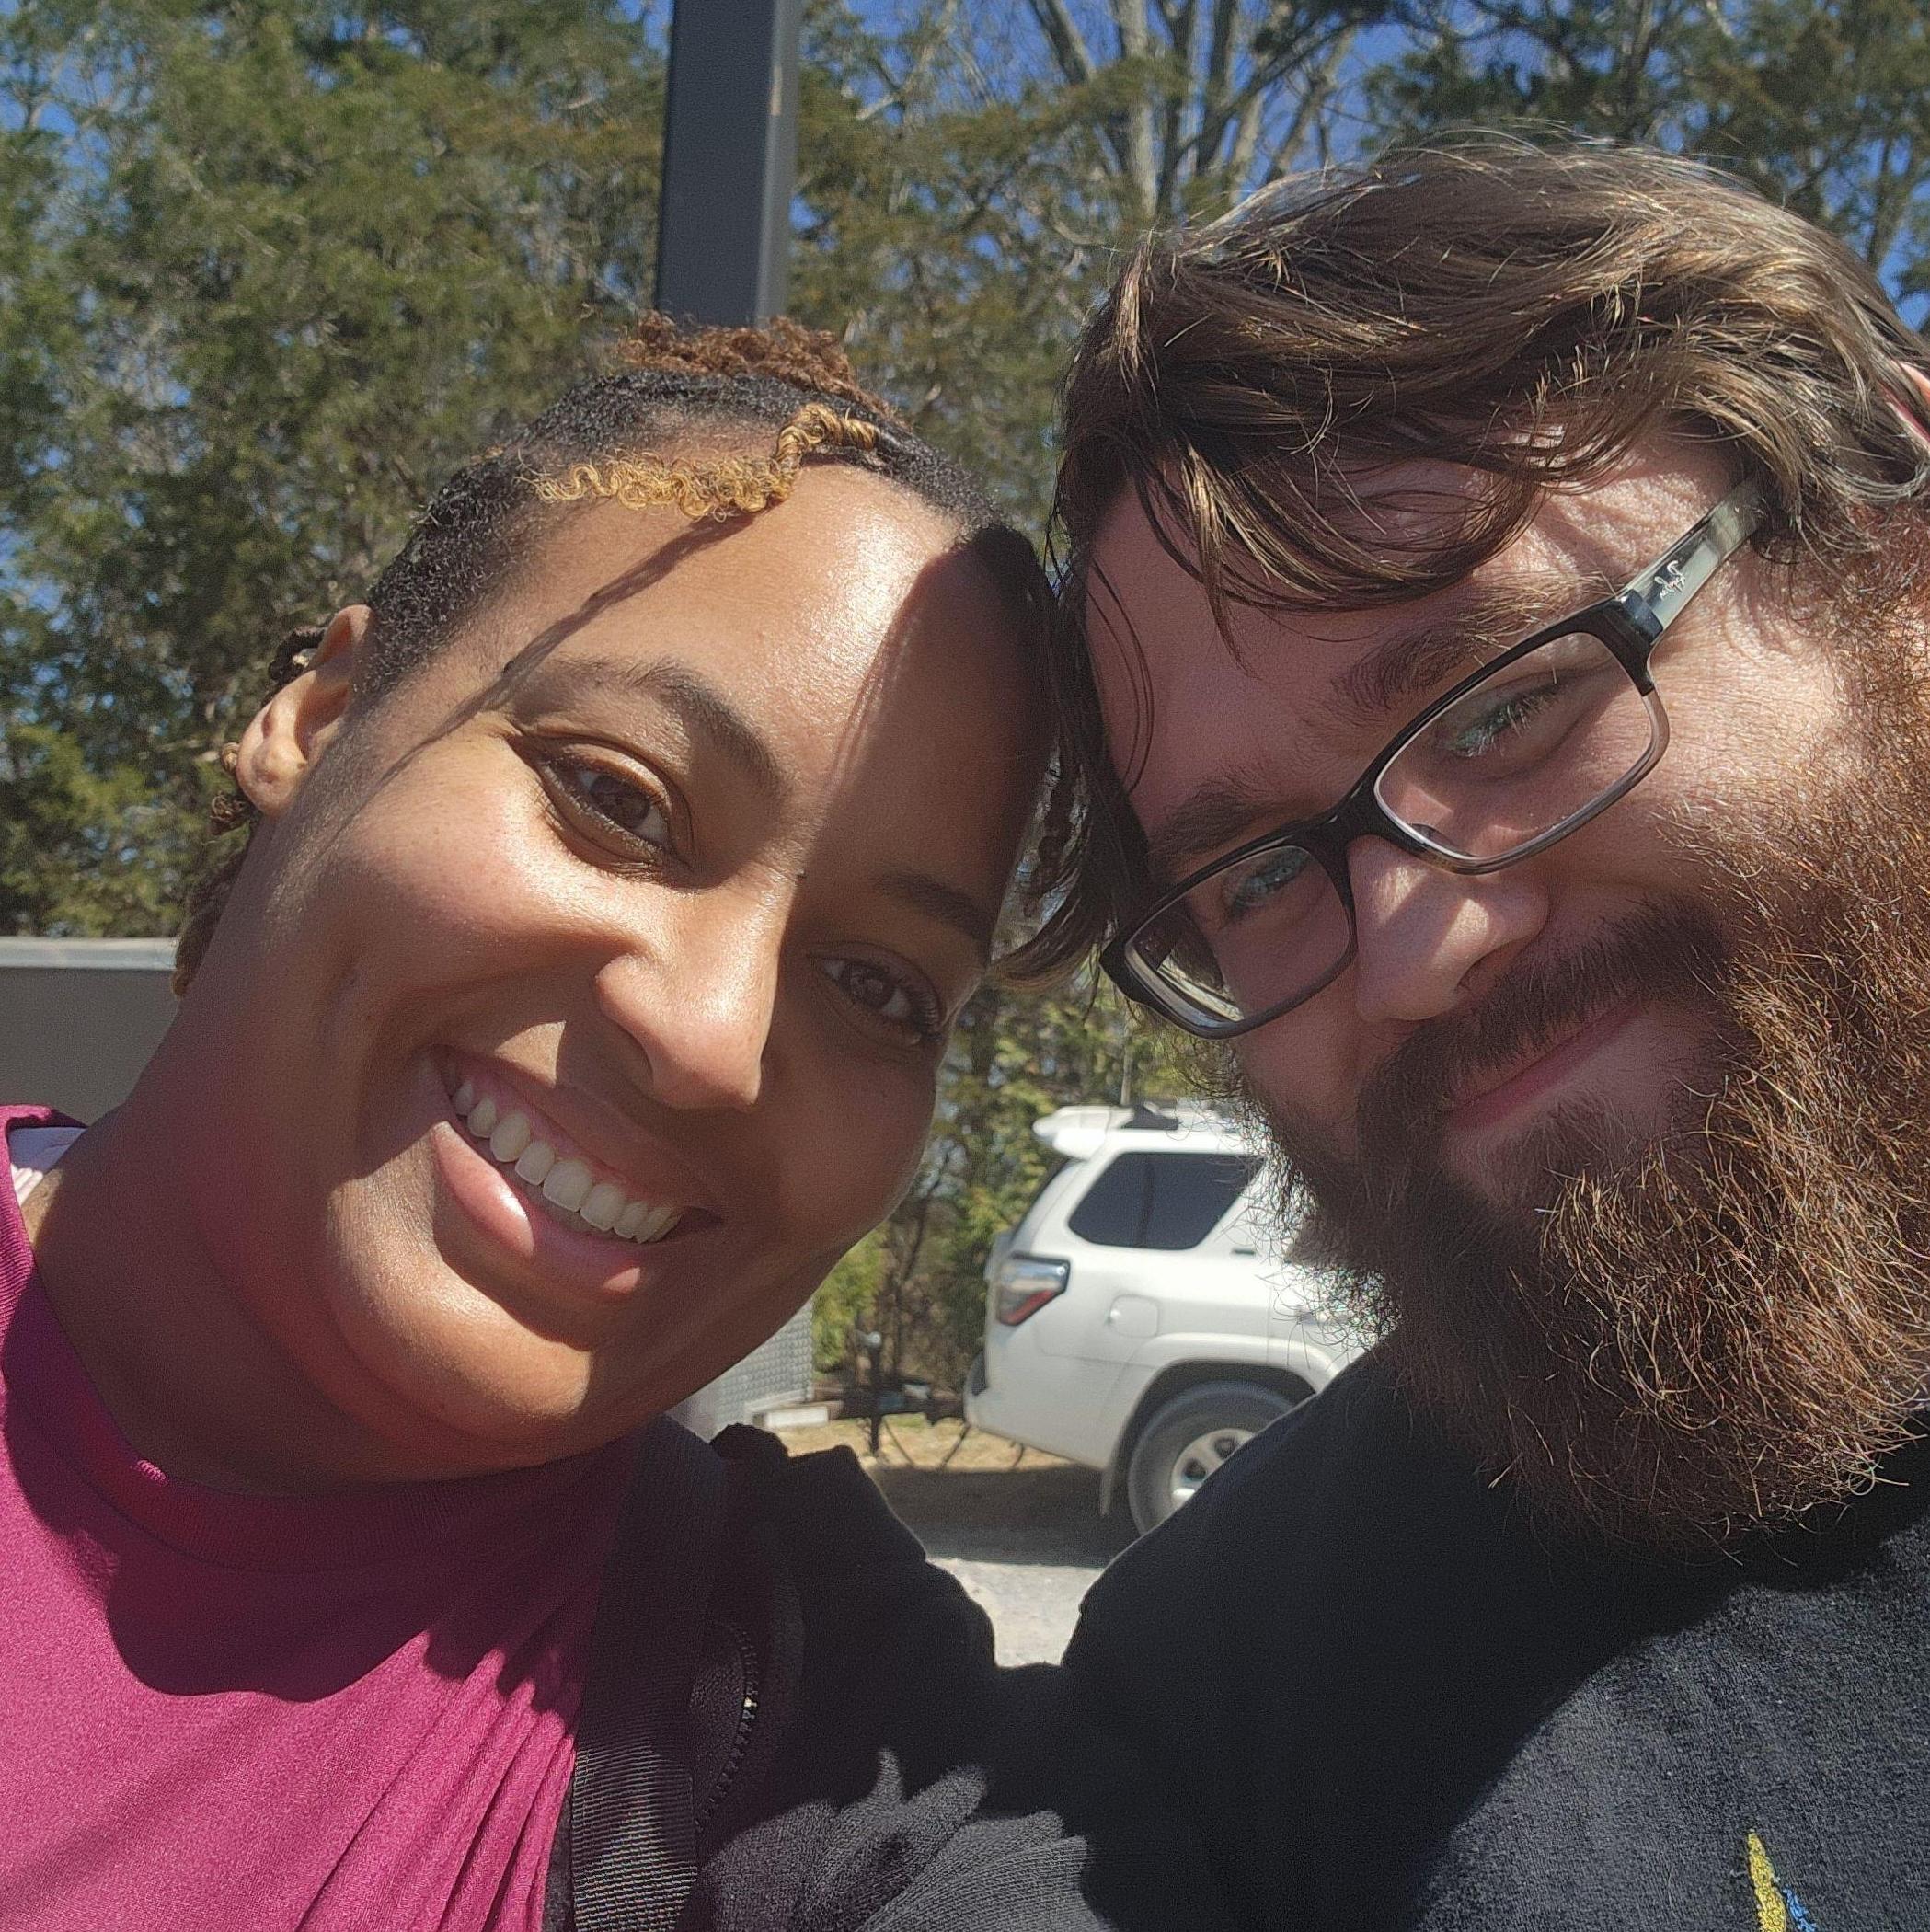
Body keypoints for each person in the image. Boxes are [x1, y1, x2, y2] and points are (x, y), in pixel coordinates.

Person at [1, 316, 1220, 1931]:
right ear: (322, 711)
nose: (711, 1042)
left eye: (878, 984)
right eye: (618, 798)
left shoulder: (810, 1737)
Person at [1033, 140, 1930, 1929]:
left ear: (1894, 576)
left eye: (1508, 701)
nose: (1416, 946)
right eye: (1259, 872)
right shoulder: (1213, 1713)